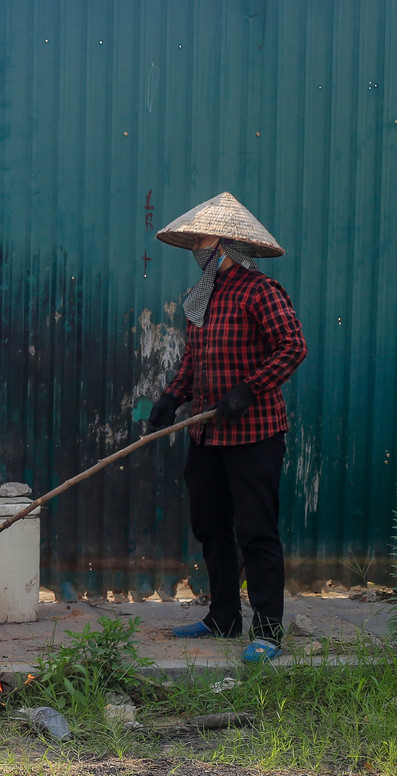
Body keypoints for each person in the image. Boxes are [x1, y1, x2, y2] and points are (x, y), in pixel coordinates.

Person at [148, 191, 307, 664]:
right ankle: (222, 617)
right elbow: (194, 361)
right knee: (211, 526)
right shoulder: (201, 298)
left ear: (226, 243)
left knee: (255, 531)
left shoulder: (261, 291)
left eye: (204, 237)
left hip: (254, 433)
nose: (198, 245)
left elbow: (292, 346)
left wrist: (248, 389)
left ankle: (268, 630)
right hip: (207, 435)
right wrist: (173, 396)